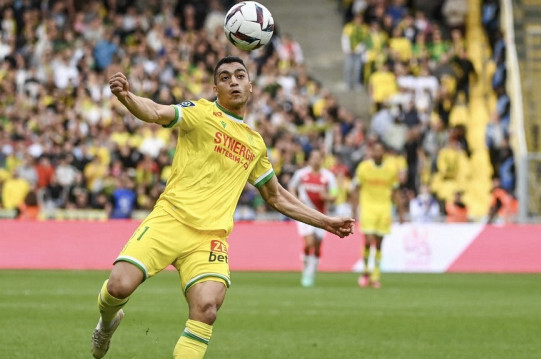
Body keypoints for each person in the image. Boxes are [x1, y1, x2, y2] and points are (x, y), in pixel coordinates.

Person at [91, 57, 355, 359]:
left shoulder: (255, 143)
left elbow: (276, 196)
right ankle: (106, 324)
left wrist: (325, 222)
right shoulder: (200, 113)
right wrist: (127, 96)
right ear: (215, 87)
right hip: (169, 220)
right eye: (225, 77)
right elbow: (154, 111)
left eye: (240, 76)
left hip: (210, 238)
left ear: (250, 86)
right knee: (119, 286)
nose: (234, 81)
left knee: (207, 309)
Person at [352, 142, 403, 289]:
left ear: (384, 153)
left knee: (380, 244)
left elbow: (395, 191)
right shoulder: (364, 167)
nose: (378, 153)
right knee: (368, 241)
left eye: (381, 150)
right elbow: (356, 188)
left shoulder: (391, 169)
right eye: (375, 150)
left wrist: (400, 212)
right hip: (368, 208)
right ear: (372, 152)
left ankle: (376, 275)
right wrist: (354, 209)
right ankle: (366, 271)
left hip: (384, 209)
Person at [288, 150, 338, 287]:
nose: (316, 160)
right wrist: (295, 199)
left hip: (322, 216)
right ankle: (307, 271)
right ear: (309, 160)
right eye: (313, 158)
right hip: (304, 214)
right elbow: (291, 186)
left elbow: (334, 195)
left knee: (316, 246)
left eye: (318, 158)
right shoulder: (301, 174)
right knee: (309, 242)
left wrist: (326, 196)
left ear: (322, 160)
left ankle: (311, 270)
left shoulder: (328, 176)